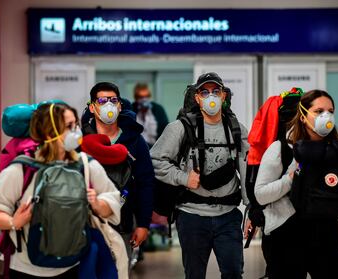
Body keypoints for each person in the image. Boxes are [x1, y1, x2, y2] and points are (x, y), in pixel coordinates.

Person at [0, 103, 122, 278]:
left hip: (72, 265)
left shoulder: (85, 165)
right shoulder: (23, 169)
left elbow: (113, 199)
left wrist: (99, 204)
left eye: (75, 124)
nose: (76, 131)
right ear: (49, 133)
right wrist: (12, 222)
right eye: (69, 127)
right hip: (25, 267)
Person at [254, 90, 338, 279]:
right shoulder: (282, 149)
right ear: (303, 115)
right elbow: (261, 194)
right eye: (319, 111)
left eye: (330, 111)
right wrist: (290, 178)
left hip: (327, 234)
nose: (326, 116)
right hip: (288, 234)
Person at [151, 72, 249, 279]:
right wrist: (183, 178)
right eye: (205, 92)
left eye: (216, 91)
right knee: (194, 275)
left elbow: (247, 169)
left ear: (224, 96)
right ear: (197, 97)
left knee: (233, 273)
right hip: (191, 216)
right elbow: (155, 160)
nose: (210, 96)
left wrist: (251, 209)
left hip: (228, 216)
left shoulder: (237, 130)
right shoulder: (179, 128)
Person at [81, 82, 154, 261]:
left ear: (120, 105)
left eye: (113, 100)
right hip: (86, 224)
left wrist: (144, 224)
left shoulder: (135, 141)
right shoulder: (81, 139)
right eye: (102, 100)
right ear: (92, 107)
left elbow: (147, 183)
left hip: (124, 223)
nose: (109, 105)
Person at [132, 83, 169, 147]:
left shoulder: (158, 109)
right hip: (136, 149)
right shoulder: (131, 109)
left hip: (156, 149)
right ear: (136, 97)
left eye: (146, 96)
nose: (144, 99)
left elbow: (166, 129)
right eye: (141, 97)